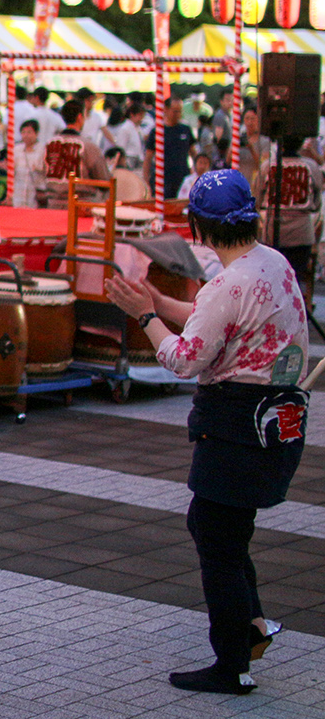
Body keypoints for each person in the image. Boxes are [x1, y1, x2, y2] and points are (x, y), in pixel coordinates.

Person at [104, 171, 309, 695]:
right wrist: (155, 302)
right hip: (276, 416)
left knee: (217, 537)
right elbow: (209, 319)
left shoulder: (228, 282)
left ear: (198, 226)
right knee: (220, 528)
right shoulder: (272, 263)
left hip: (238, 422)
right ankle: (254, 628)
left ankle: (233, 663)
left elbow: (183, 357)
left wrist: (144, 314)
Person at [256, 135, 323, 295]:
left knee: (272, 282)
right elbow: (316, 203)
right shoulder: (311, 166)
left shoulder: (268, 166)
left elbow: (257, 198)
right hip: (302, 233)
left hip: (273, 232)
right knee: (295, 283)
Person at [151, 96, 196, 199]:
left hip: (183, 177)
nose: (178, 114)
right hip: (163, 178)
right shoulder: (157, 131)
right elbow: (148, 157)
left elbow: (193, 152)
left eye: (180, 111)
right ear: (165, 110)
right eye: (175, 111)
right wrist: (146, 180)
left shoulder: (185, 129)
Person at [10, 120, 46, 208]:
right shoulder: (17, 150)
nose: (26, 135)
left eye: (29, 132)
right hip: (18, 193)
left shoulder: (43, 150)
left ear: (36, 133)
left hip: (35, 194)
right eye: (23, 132)